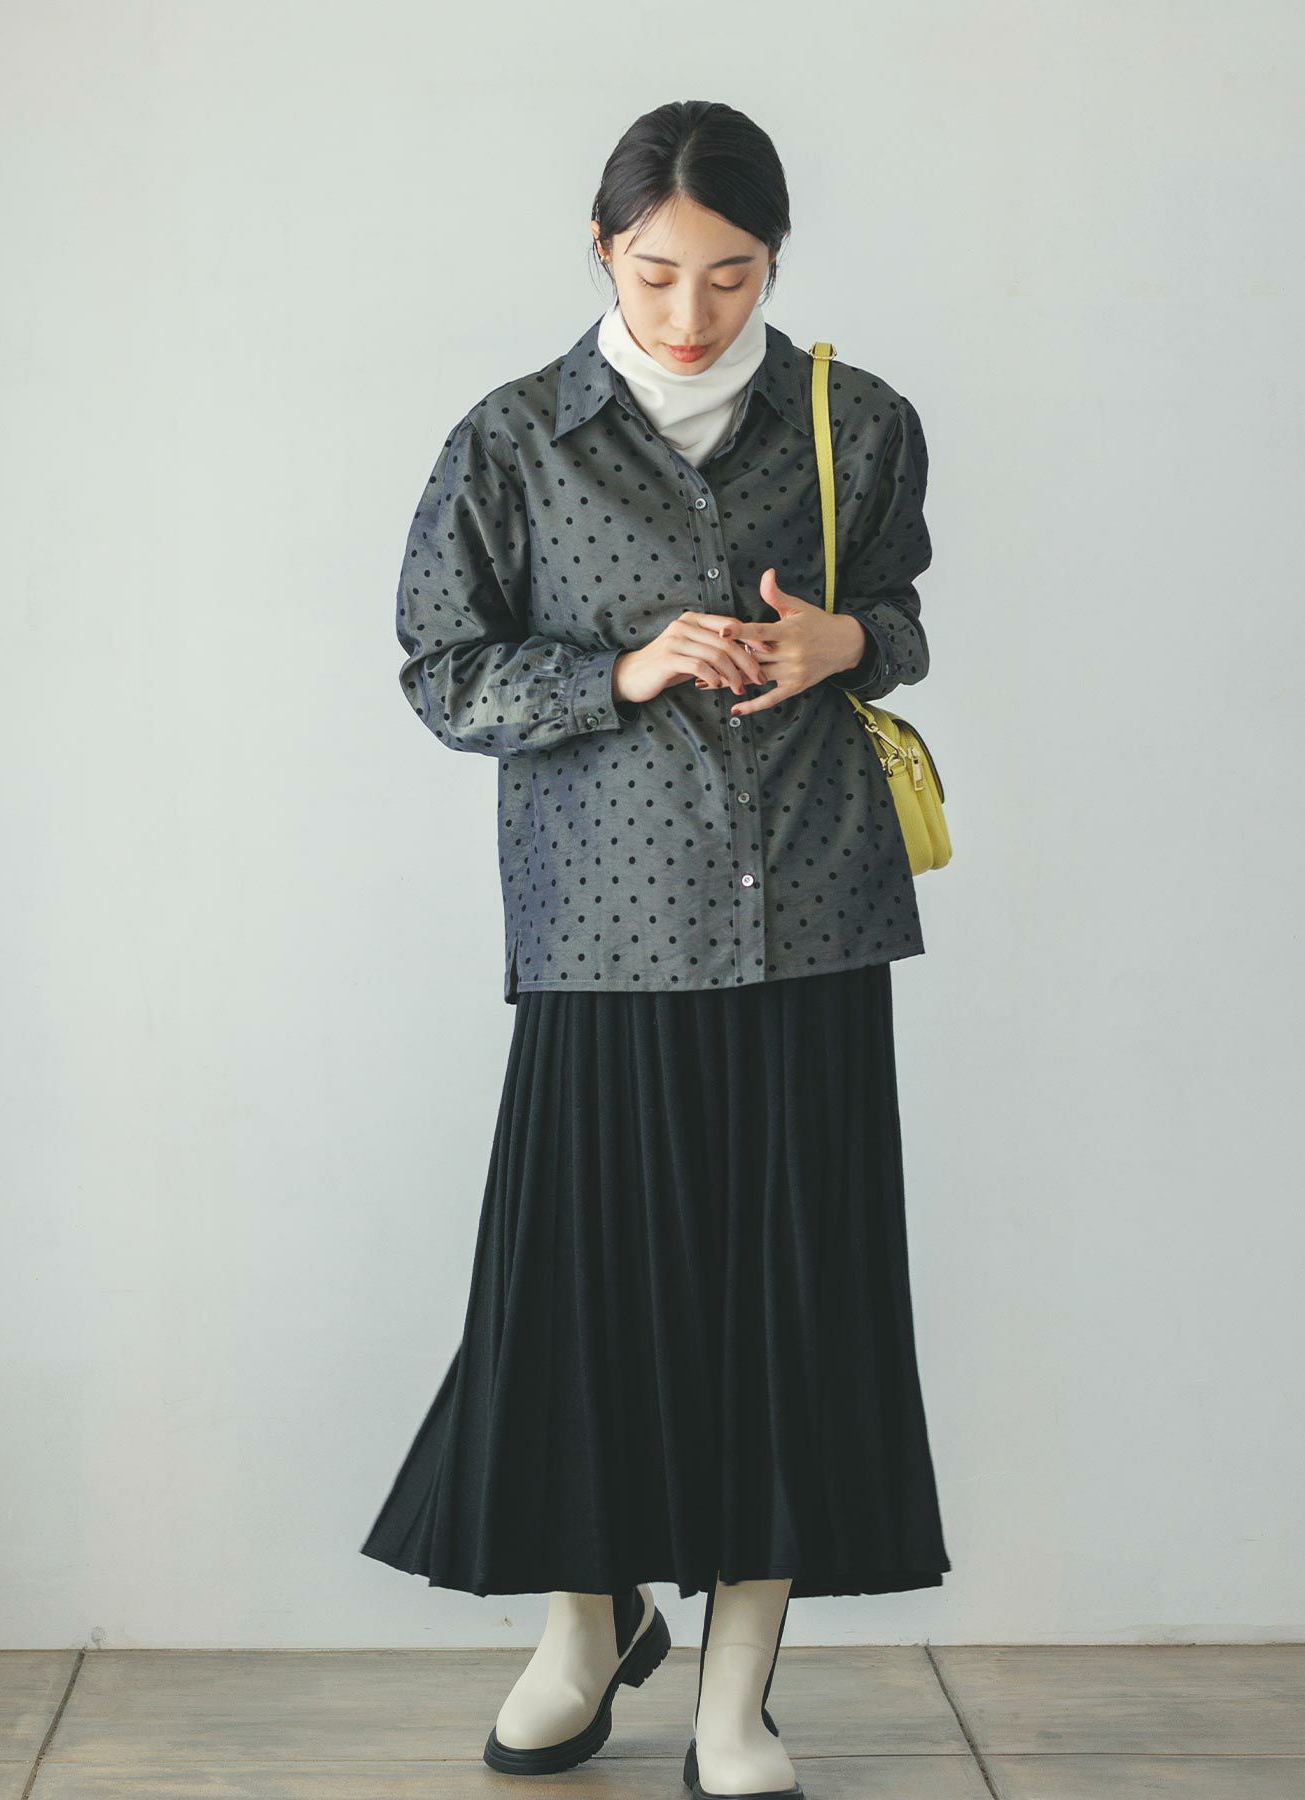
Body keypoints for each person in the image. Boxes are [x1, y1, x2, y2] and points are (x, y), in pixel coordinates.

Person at [360, 98, 952, 1800]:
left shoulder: (858, 421)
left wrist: (848, 643)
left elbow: (899, 616)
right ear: (603, 252)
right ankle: (585, 1627)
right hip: (601, 937)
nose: (694, 312)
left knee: (793, 1310)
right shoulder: (512, 439)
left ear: (777, 261)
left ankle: (737, 1697)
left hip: (813, 920)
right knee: (578, 1310)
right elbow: (441, 673)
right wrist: (618, 672)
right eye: (658, 272)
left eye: (733, 274)